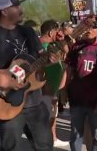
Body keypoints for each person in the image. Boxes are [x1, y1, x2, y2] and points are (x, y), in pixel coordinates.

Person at [0, 0, 59, 151]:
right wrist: (1, 77)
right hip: (7, 103)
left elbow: (41, 58)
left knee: (45, 146)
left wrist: (51, 60)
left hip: (35, 103)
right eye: (16, 6)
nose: (21, 9)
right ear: (4, 11)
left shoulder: (28, 32)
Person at [65, 15, 97, 151]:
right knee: (75, 135)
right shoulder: (76, 46)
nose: (89, 29)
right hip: (77, 99)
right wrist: (63, 91)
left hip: (96, 100)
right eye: (87, 25)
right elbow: (69, 70)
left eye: (94, 26)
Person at [39, 20, 69, 148]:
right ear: (51, 32)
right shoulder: (43, 47)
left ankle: (53, 138)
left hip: (51, 89)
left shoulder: (53, 45)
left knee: (52, 115)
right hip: (44, 90)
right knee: (45, 117)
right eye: (56, 32)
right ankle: (46, 142)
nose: (58, 34)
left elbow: (65, 54)